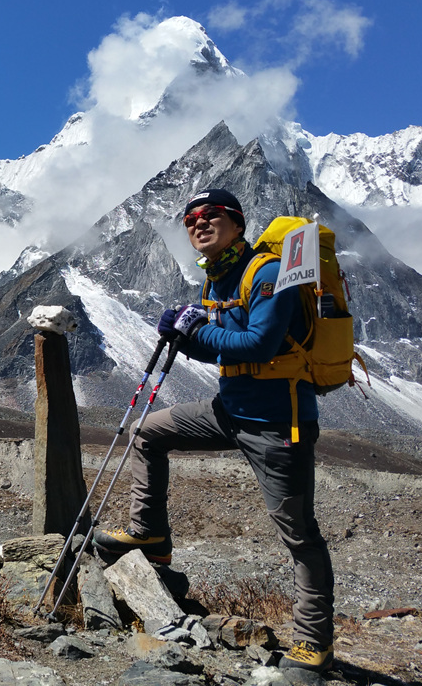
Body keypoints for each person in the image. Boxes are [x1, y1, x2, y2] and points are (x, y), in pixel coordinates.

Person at [92, 188, 336, 672]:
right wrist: (189, 334)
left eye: (211, 216)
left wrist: (193, 333)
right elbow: (221, 347)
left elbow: (259, 343)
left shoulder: (268, 272)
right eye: (190, 220)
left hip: (276, 423)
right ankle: (150, 535)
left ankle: (315, 643)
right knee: (148, 433)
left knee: (299, 534)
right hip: (230, 409)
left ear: (237, 223)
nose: (199, 224)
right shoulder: (218, 276)